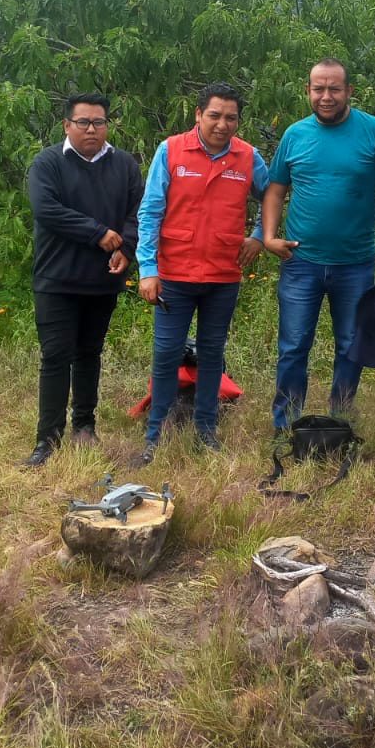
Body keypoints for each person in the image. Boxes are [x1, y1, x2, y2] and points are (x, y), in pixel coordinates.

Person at [262, 58, 375, 433]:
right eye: (318, 89)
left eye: (334, 89)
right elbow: (276, 189)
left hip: (355, 263)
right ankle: (286, 425)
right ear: (308, 91)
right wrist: (268, 235)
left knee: (350, 345)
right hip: (300, 260)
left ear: (349, 92)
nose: (326, 96)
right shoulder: (295, 134)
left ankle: (340, 418)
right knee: (293, 347)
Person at [135, 82, 268, 464]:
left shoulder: (248, 157)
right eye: (214, 115)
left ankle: (206, 430)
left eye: (231, 118)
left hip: (223, 275)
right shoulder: (171, 150)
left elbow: (274, 195)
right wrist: (148, 269)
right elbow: (150, 212)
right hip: (174, 274)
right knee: (165, 354)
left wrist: (260, 235)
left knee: (212, 354)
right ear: (198, 115)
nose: (222, 125)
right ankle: (155, 434)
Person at [23, 92, 143, 467]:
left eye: (99, 122)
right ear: (67, 125)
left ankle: (84, 426)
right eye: (83, 122)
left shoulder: (124, 164)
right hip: (57, 279)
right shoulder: (48, 163)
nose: (92, 129)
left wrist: (127, 248)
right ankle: (48, 439)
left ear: (108, 124)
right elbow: (46, 210)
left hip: (102, 280)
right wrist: (97, 232)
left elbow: (137, 212)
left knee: (89, 354)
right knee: (56, 357)